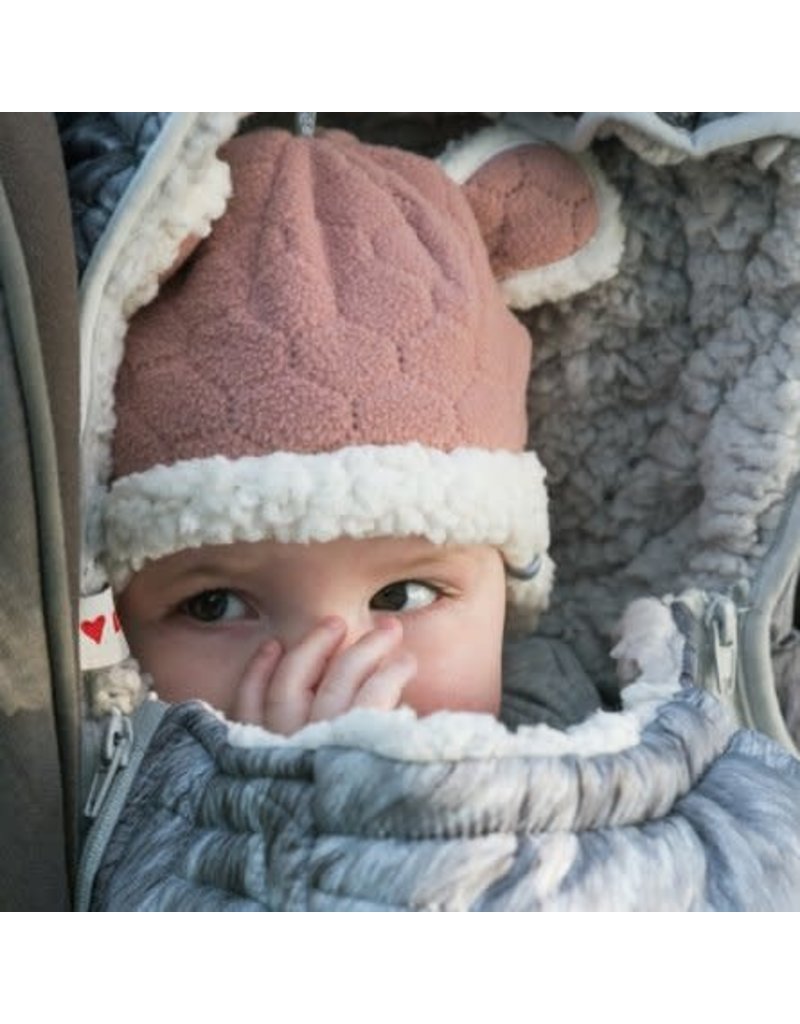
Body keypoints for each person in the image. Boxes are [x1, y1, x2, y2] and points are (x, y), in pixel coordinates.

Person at [104, 124, 605, 735]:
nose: (329, 681)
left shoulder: (576, 745)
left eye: (405, 595)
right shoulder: (102, 788)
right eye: (215, 605)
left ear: (508, 596)